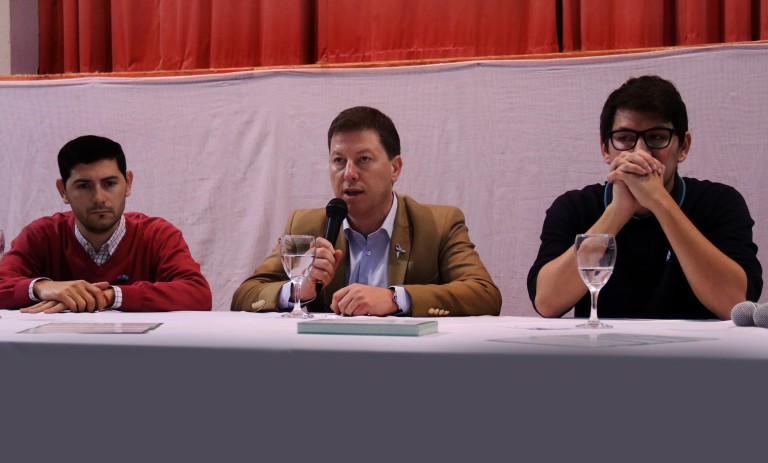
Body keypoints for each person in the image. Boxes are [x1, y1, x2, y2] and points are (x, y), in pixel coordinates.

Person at [528, 75, 762, 320]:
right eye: (624, 138)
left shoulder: (720, 202)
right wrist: (618, 210)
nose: (641, 152)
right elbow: (547, 302)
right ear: (605, 149)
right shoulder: (574, 207)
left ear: (683, 147)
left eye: (657, 137)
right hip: (601, 344)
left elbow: (735, 304)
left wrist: (660, 202)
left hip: (698, 346)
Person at [231, 106, 501, 317]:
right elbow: (245, 295)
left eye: (363, 160)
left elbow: (484, 294)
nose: (349, 174)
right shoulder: (305, 225)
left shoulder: (438, 225)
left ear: (395, 168)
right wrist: (298, 290)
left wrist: (395, 299)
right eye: (339, 161)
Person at [0, 135, 212, 313]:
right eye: (84, 186)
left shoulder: (158, 235)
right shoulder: (41, 235)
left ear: (128, 183)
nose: (99, 198)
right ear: (63, 190)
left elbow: (198, 294)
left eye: (109, 183)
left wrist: (109, 295)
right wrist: (41, 287)